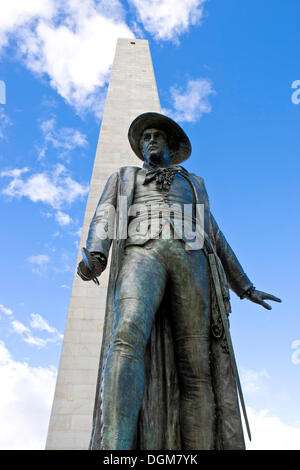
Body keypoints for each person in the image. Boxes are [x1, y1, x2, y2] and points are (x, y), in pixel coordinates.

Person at [77, 112, 281, 450]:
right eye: (146, 137)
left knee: (196, 365)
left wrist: (244, 286)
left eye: (157, 135)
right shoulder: (124, 177)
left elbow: (214, 234)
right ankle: (115, 448)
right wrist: (96, 257)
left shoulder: (194, 184)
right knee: (126, 335)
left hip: (191, 260)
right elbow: (105, 215)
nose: (151, 141)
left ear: (171, 145)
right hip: (142, 253)